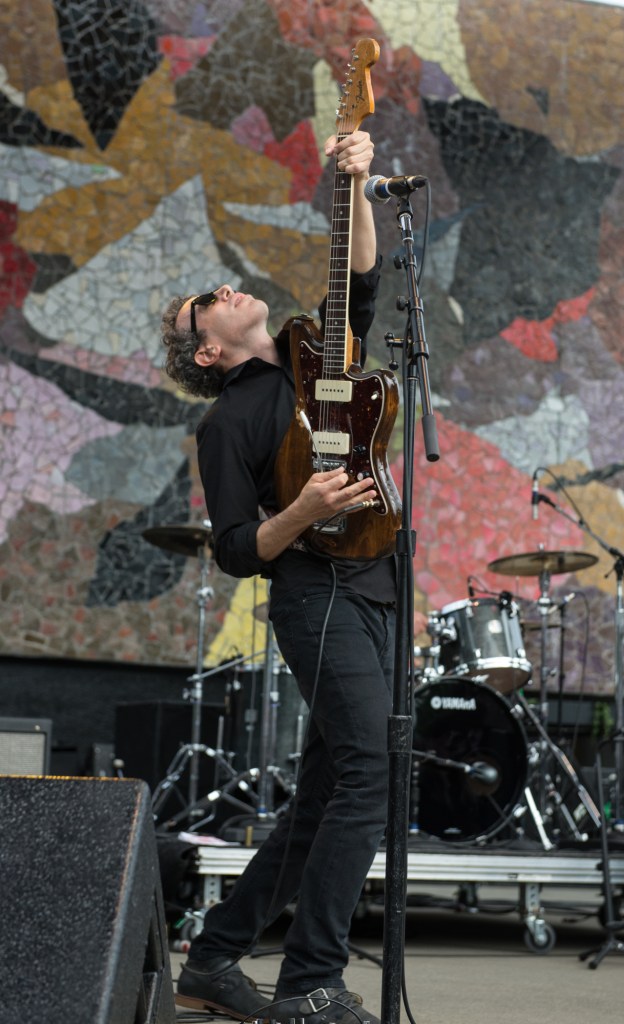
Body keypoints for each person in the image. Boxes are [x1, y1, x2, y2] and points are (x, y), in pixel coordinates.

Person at [161, 129, 395, 1024]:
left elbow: (362, 281)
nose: (224, 290)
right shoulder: (228, 425)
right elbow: (231, 547)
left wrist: (361, 182)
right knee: (370, 774)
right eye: (203, 306)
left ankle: (215, 956)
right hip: (313, 595)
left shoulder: (310, 354)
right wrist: (298, 514)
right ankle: (311, 984)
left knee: (332, 792)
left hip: (377, 581)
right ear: (208, 353)